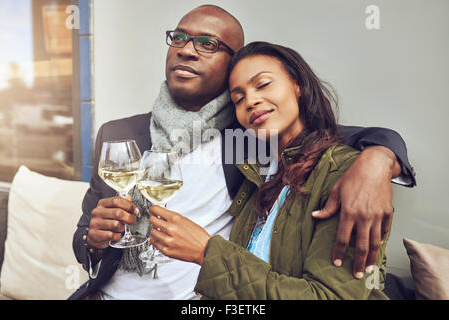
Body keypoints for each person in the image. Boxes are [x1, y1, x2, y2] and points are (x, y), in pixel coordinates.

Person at [70, 5, 415, 300]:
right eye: (179, 37)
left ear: (230, 67)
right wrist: (94, 240)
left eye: (208, 44)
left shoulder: (246, 138)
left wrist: (379, 159)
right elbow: (84, 240)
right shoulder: (118, 134)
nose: (187, 50)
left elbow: (333, 137)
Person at [148, 41, 391, 299]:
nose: (250, 101)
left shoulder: (350, 176)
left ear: (298, 85)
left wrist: (206, 252)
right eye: (238, 99)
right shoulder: (257, 178)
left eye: (263, 85)